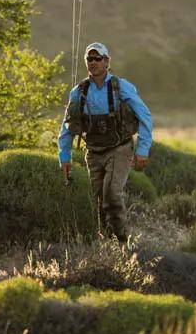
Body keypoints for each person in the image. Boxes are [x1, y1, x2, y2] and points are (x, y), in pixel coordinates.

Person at [58, 42, 153, 241]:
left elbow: (145, 116)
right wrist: (64, 156)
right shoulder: (78, 91)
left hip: (120, 149)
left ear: (107, 61)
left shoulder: (122, 87)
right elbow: (67, 126)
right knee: (98, 200)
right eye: (89, 59)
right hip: (93, 152)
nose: (93, 62)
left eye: (97, 58)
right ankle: (105, 242)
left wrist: (143, 150)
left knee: (111, 194)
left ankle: (122, 241)